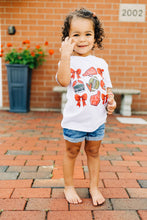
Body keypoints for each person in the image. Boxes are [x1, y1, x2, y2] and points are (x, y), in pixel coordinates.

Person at [56, 8, 116, 206]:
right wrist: (65, 56)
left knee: (94, 152)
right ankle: (68, 186)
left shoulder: (101, 63)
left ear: (95, 36)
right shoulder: (68, 61)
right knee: (71, 152)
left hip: (97, 120)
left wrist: (111, 101)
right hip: (75, 121)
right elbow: (64, 82)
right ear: (68, 38)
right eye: (76, 35)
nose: (82, 40)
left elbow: (107, 89)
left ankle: (94, 186)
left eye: (88, 34)